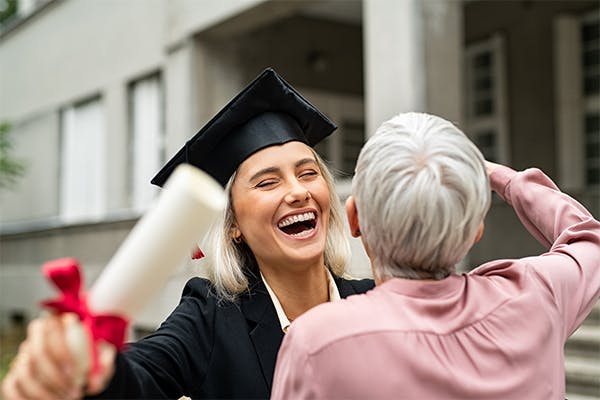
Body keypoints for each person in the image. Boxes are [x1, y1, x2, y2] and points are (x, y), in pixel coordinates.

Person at [1, 68, 374, 400]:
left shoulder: (375, 303)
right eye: (267, 182)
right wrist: (86, 368)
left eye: (308, 173)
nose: (297, 191)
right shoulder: (212, 317)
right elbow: (143, 374)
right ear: (233, 226)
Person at [271, 112, 600, 399]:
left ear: (354, 218)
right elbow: (590, 239)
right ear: (475, 231)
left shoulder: (318, 343)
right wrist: (498, 176)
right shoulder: (537, 297)